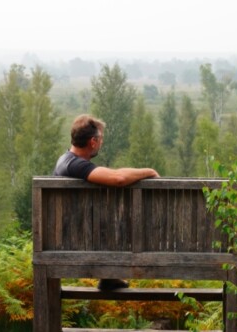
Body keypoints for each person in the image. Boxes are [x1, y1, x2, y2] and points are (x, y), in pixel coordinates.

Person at [53, 114, 159, 290]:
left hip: (71, 232)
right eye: (100, 139)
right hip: (76, 239)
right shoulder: (75, 165)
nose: (101, 143)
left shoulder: (66, 161)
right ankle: (112, 273)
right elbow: (118, 178)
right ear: (93, 142)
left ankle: (109, 277)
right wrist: (149, 171)